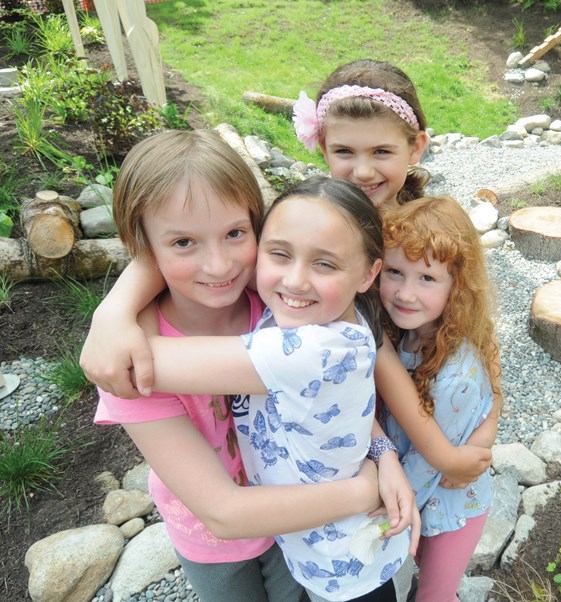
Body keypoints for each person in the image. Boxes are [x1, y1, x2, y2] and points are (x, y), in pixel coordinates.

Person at [93, 131, 414, 602]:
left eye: (236, 234)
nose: (219, 264)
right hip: (215, 540)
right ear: (146, 247)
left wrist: (381, 451)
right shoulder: (134, 358)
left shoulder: (277, 303)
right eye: (184, 242)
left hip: (300, 527)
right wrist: (365, 491)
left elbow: (335, 395)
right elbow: (223, 513)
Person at [379, 196, 500, 601]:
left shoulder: (456, 377)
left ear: (457, 286)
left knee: (434, 594)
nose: (405, 293)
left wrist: (377, 519)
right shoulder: (403, 333)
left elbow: (425, 467)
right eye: (395, 272)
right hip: (421, 490)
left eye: (427, 279)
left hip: (451, 508)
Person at [293, 59, 430, 210]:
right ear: (325, 149)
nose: (363, 172)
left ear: (415, 147)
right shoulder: (307, 226)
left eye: (381, 151)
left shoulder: (438, 230)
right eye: (344, 151)